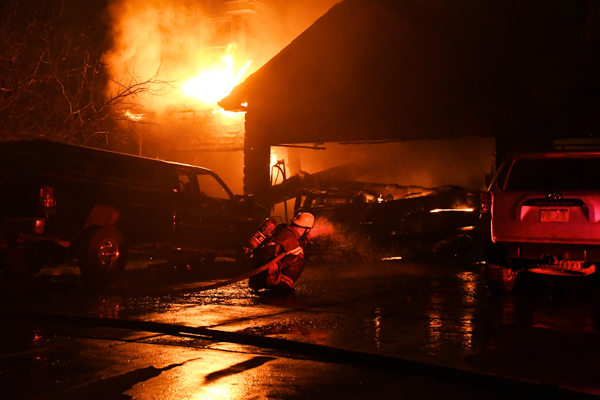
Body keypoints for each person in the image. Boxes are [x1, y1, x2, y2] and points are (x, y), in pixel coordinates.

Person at [248, 212, 314, 293]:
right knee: (300, 261)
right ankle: (282, 287)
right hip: (266, 271)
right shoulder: (291, 238)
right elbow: (299, 255)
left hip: (258, 269)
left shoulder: (283, 229)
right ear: (306, 229)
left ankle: (259, 281)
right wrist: (301, 245)